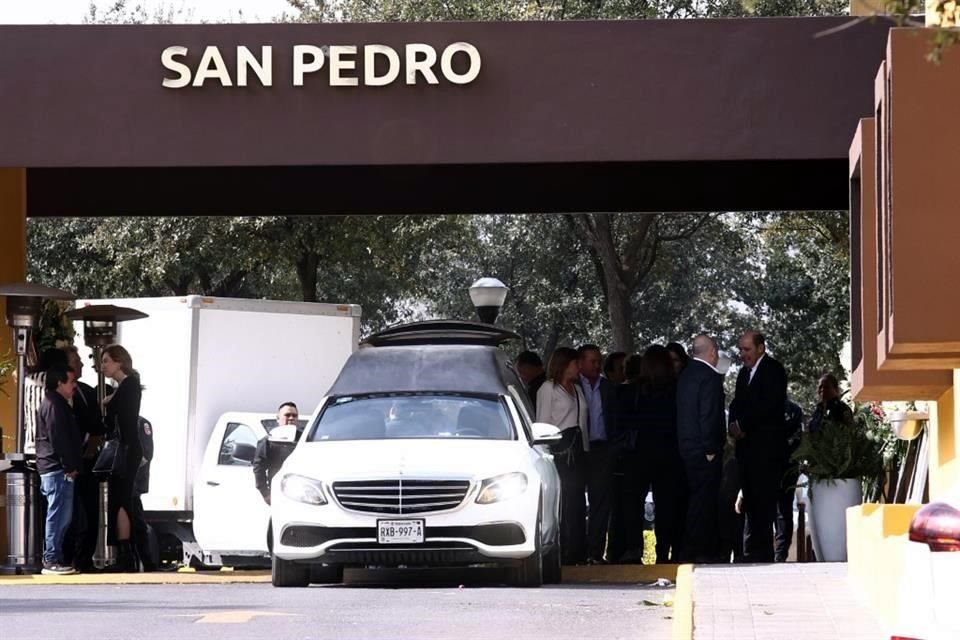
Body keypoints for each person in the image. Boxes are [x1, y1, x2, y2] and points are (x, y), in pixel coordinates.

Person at [614, 345, 686, 563]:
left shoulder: (631, 391)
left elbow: (620, 424)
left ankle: (634, 548)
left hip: (638, 454)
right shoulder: (677, 390)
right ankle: (664, 550)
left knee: (633, 503)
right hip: (668, 453)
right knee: (667, 505)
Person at [728, 330, 788, 563]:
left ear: (760, 348)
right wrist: (733, 424)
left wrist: (743, 424)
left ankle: (762, 551)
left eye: (747, 350)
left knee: (764, 501)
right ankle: (751, 550)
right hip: (747, 451)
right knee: (750, 502)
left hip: (767, 452)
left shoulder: (773, 370)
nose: (743, 355)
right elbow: (737, 403)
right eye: (741, 350)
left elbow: (768, 405)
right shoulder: (743, 374)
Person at [676, 334, 727, 563]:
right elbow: (709, 414)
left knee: (695, 498)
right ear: (713, 352)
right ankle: (699, 551)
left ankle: (691, 550)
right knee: (704, 502)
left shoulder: (685, 376)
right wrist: (710, 448)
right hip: (705, 450)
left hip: (686, 448)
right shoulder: (709, 377)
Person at [536, 347, 588, 565]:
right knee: (562, 501)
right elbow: (542, 420)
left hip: (576, 450)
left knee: (576, 501)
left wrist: (585, 450)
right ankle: (563, 550)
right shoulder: (548, 389)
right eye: (576, 363)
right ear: (565, 364)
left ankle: (577, 550)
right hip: (558, 449)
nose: (579, 367)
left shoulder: (576, 389)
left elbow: (583, 422)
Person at [100, 344, 144, 572]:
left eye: (106, 360)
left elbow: (124, 421)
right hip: (127, 448)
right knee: (120, 498)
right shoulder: (126, 385)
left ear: (119, 361)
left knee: (121, 499)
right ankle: (126, 552)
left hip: (125, 449)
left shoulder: (128, 386)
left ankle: (125, 554)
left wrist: (109, 404)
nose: (103, 365)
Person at [36, 364, 83, 575]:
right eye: (71, 382)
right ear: (59, 383)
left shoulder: (57, 403)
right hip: (57, 469)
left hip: (57, 468)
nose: (75, 386)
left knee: (63, 515)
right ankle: (51, 558)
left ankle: (55, 556)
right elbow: (59, 438)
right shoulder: (54, 405)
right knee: (57, 515)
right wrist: (69, 465)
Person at [62, 346, 105, 572]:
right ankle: (65, 557)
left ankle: (84, 559)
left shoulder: (87, 392)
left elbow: (98, 427)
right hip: (65, 464)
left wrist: (90, 451)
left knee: (90, 512)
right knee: (68, 514)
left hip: (87, 462)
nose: (80, 364)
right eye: (75, 360)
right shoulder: (55, 396)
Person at [577, 344, 618, 564]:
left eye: (598, 361)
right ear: (580, 363)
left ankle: (595, 552)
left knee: (601, 502)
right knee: (573, 501)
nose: (596, 365)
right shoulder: (572, 386)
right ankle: (575, 550)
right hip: (579, 449)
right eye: (592, 361)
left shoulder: (607, 387)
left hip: (602, 449)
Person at [253, 402, 302, 504]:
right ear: (278, 419)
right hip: (279, 493)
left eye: (294, 415)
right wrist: (266, 494)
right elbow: (259, 468)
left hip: (304, 494)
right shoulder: (269, 441)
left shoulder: (305, 440)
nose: (291, 418)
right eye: (287, 415)